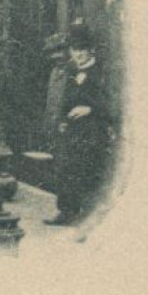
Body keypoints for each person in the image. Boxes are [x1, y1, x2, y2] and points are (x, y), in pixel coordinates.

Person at [47, 22, 112, 226]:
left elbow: (110, 101)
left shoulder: (101, 72)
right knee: (65, 169)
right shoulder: (71, 72)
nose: (79, 54)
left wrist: (90, 109)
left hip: (92, 129)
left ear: (90, 50)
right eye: (75, 50)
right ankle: (66, 211)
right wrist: (62, 120)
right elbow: (63, 99)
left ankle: (87, 214)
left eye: (83, 50)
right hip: (72, 129)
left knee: (86, 170)